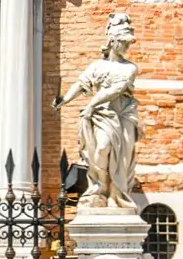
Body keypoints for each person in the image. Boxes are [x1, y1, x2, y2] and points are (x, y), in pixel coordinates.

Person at [58, 14, 142, 212]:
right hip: (100, 116)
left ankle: (117, 194)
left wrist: (91, 104)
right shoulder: (96, 66)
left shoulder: (130, 68)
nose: (127, 47)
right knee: (100, 151)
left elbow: (115, 90)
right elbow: (81, 84)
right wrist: (64, 100)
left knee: (118, 157)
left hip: (121, 116)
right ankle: (100, 189)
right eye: (124, 42)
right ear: (112, 42)